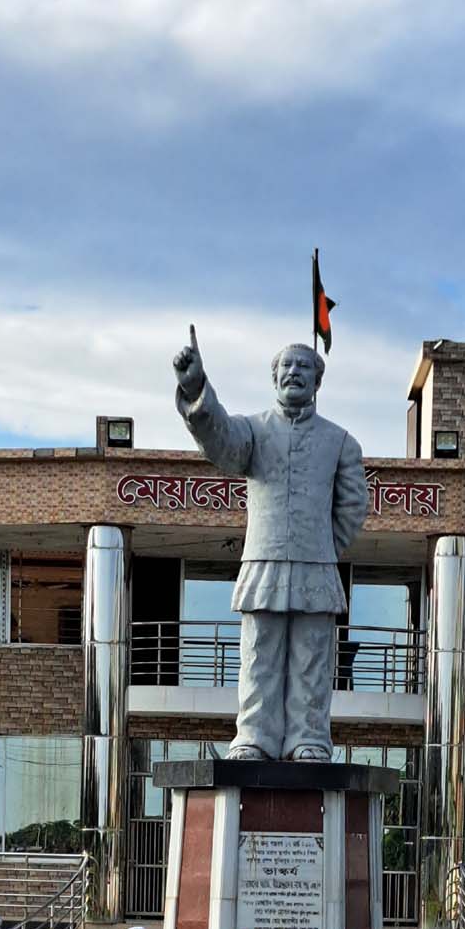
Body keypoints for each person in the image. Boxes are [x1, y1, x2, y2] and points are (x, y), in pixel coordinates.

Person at [172, 325, 370, 762]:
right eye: (286, 365)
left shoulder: (340, 441)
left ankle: (309, 739)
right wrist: (196, 387)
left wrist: (321, 548)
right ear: (274, 377)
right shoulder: (253, 431)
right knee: (259, 655)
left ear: (317, 380)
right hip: (263, 563)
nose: (294, 372)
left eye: (303, 366)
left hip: (317, 567)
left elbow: (353, 506)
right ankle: (255, 737)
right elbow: (220, 442)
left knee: (312, 661)